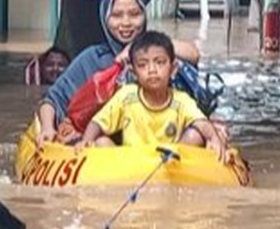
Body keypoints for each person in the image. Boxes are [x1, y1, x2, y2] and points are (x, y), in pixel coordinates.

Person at [34, 0, 201, 146]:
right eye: (117, 15)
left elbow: (193, 54)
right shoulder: (92, 59)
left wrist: (136, 47)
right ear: (105, 19)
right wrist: (48, 128)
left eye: (134, 14)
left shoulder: (158, 51)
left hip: (164, 148)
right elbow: (52, 99)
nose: (126, 22)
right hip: (107, 150)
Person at [78, 30, 228, 162]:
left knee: (195, 136)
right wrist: (86, 141)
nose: (152, 70)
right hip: (130, 163)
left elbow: (200, 121)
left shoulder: (181, 100)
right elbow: (98, 121)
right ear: (133, 72)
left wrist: (214, 139)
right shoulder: (126, 96)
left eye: (160, 62)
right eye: (143, 65)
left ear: (173, 68)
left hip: (169, 164)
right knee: (101, 142)